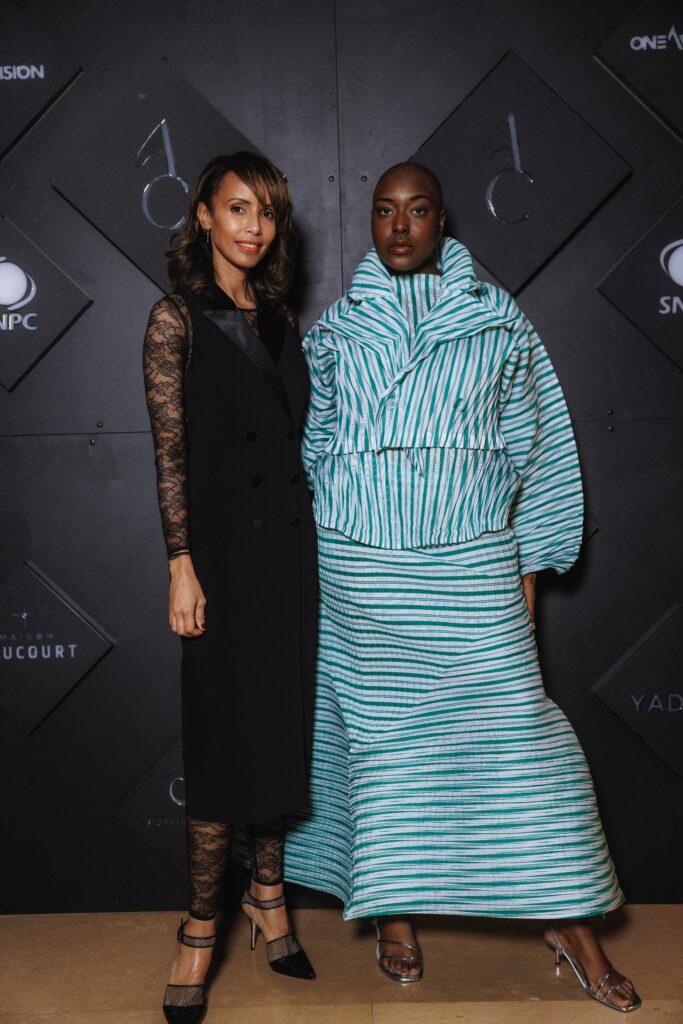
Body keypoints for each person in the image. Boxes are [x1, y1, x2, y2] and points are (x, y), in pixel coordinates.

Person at [283, 161, 640, 1012]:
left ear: (443, 221)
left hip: (469, 566)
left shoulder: (498, 323)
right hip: (361, 571)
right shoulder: (333, 333)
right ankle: (393, 911)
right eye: (384, 211)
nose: (399, 226)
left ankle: (570, 923)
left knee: (520, 741)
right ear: (370, 223)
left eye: (417, 210)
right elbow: (310, 452)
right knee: (382, 750)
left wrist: (529, 566)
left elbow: (537, 448)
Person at [143, 151, 318, 1024]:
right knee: (221, 746)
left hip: (289, 558)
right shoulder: (173, 319)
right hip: (217, 563)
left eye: (267, 212)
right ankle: (199, 930)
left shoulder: (281, 320)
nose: (254, 226)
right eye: (238, 208)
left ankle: (269, 900)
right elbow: (170, 455)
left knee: (277, 737)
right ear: (204, 216)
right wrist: (180, 562)